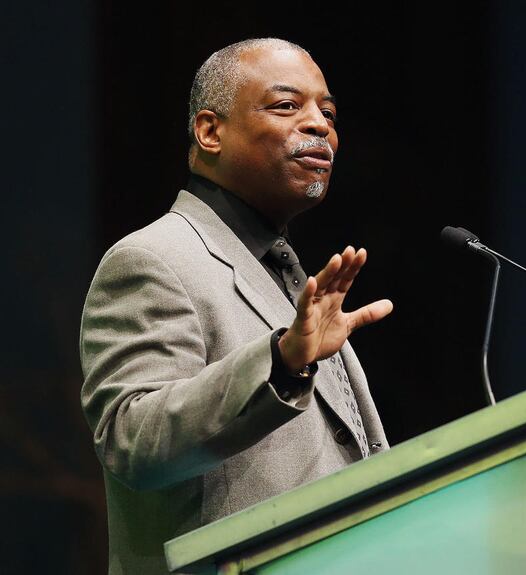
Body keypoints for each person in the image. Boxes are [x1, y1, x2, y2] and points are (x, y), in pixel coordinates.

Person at [79, 38, 392, 574]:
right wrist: (280, 363)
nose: (319, 124)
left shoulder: (286, 272)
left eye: (328, 111)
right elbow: (132, 441)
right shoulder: (151, 259)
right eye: (287, 105)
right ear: (210, 131)